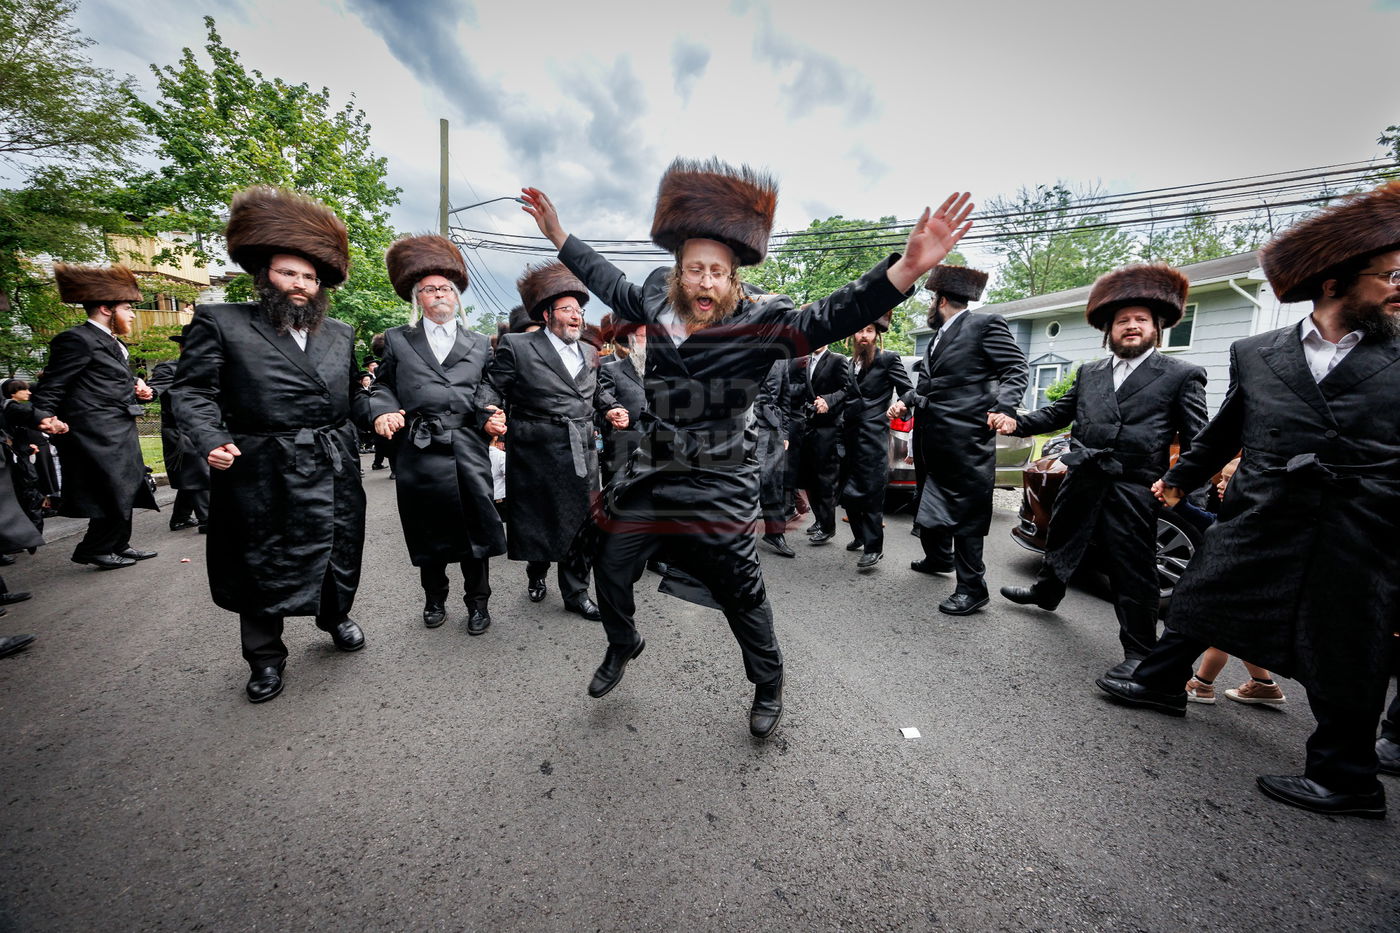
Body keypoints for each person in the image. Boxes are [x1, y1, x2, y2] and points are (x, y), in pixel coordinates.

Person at [519, 157, 973, 737]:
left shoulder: (765, 319)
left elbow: (833, 313)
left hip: (719, 477)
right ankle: (624, 641)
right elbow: (610, 282)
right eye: (694, 270)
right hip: (653, 469)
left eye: (716, 271)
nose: (704, 282)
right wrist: (559, 236)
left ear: (734, 275)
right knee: (609, 563)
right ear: (678, 271)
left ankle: (768, 681)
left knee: (739, 588)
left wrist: (905, 269)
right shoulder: (659, 297)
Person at [1095, 180, 1400, 818]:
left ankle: (1347, 778)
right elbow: (1227, 426)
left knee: (1348, 642)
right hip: (1263, 507)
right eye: (1389, 275)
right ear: (1335, 282)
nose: (1399, 287)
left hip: (1360, 518)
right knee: (1205, 590)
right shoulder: (1258, 352)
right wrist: (1183, 477)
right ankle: (1159, 684)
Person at [171, 186, 366, 704]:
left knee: (335, 548)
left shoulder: (341, 333)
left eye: (308, 276)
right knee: (261, 561)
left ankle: (334, 616)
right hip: (260, 465)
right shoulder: (222, 321)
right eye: (288, 273)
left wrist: (386, 410)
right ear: (265, 276)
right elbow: (191, 390)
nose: (299, 284)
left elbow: (350, 398)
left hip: (330, 461)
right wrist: (211, 438)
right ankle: (264, 658)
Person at [993, 264, 1208, 677]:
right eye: (1122, 321)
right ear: (1108, 330)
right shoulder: (1090, 372)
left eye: (1140, 320)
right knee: (1062, 536)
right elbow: (1059, 412)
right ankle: (1046, 592)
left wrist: (1183, 486)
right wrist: (1016, 422)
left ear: (1156, 328)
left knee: (1133, 567)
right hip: (1084, 472)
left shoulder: (1181, 375)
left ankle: (1141, 652)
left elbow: (1199, 437)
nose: (1131, 326)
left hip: (1135, 485)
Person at [361, 233, 507, 635]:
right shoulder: (396, 339)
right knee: (428, 529)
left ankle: (478, 603)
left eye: (446, 288)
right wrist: (385, 410)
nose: (439, 294)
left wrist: (489, 416)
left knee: (475, 527)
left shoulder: (479, 343)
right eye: (430, 289)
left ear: (457, 297)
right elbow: (382, 385)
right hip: (419, 447)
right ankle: (434, 597)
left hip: (467, 447)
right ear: (417, 299)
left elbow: (487, 388)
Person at [478, 261, 627, 620]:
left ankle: (576, 593)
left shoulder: (589, 352)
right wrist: (489, 412)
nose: (576, 316)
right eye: (567, 309)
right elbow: (491, 387)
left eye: (579, 310)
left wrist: (611, 408)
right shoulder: (518, 345)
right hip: (536, 449)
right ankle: (537, 569)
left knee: (583, 523)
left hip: (581, 449)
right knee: (542, 522)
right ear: (547, 314)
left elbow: (592, 394)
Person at [890, 265, 1027, 615]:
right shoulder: (937, 338)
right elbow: (927, 386)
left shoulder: (985, 325)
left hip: (966, 437)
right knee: (928, 498)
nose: (930, 306)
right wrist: (906, 403)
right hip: (930, 437)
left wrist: (1005, 407)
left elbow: (1015, 369)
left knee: (966, 511)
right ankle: (938, 558)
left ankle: (973, 587)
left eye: (932, 300)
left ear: (942, 300)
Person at [31, 264, 159, 570]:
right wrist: (44, 414)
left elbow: (102, 381)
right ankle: (95, 548)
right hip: (94, 431)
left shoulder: (114, 342)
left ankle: (117, 543)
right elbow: (53, 383)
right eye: (128, 308)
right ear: (105, 308)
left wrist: (137, 386)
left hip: (119, 426)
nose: (132, 315)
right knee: (110, 489)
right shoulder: (77, 339)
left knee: (128, 485)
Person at [839, 315, 913, 569]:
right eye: (859, 330)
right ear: (852, 337)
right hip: (849, 437)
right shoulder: (850, 363)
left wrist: (902, 404)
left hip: (873, 438)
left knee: (870, 494)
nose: (864, 335)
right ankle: (859, 536)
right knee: (848, 494)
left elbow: (908, 390)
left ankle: (874, 548)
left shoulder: (887, 358)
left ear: (876, 335)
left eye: (869, 331)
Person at [788, 343, 853, 545]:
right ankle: (819, 519)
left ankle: (828, 527)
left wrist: (828, 400)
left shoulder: (838, 360)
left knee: (826, 480)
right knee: (810, 479)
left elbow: (848, 388)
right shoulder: (804, 362)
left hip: (829, 429)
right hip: (808, 428)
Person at [146, 328, 210, 532]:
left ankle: (180, 518)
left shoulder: (207, 369)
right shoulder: (169, 368)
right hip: (179, 430)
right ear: (182, 347)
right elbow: (155, 388)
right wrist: (148, 392)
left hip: (204, 428)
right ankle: (208, 520)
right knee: (199, 473)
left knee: (191, 475)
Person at [597, 317, 647, 487]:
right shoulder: (610, 370)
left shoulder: (663, 370)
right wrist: (613, 416)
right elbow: (599, 409)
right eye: (645, 336)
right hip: (623, 455)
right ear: (632, 339)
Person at [755, 359, 794, 558]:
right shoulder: (742, 346)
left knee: (773, 482)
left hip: (771, 427)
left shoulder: (781, 359)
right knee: (740, 482)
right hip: (742, 425)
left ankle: (775, 533)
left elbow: (785, 399)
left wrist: (785, 432)